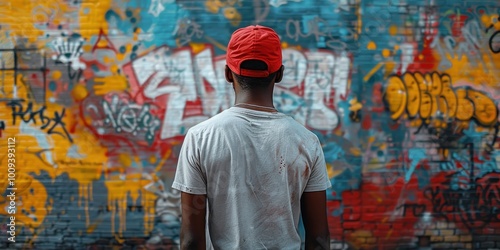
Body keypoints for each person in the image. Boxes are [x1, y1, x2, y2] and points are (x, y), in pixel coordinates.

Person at [172, 25, 331, 250]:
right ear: (280, 74)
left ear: (228, 74)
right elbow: (319, 240)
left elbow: (191, 240)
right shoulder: (307, 141)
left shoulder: (199, 138)